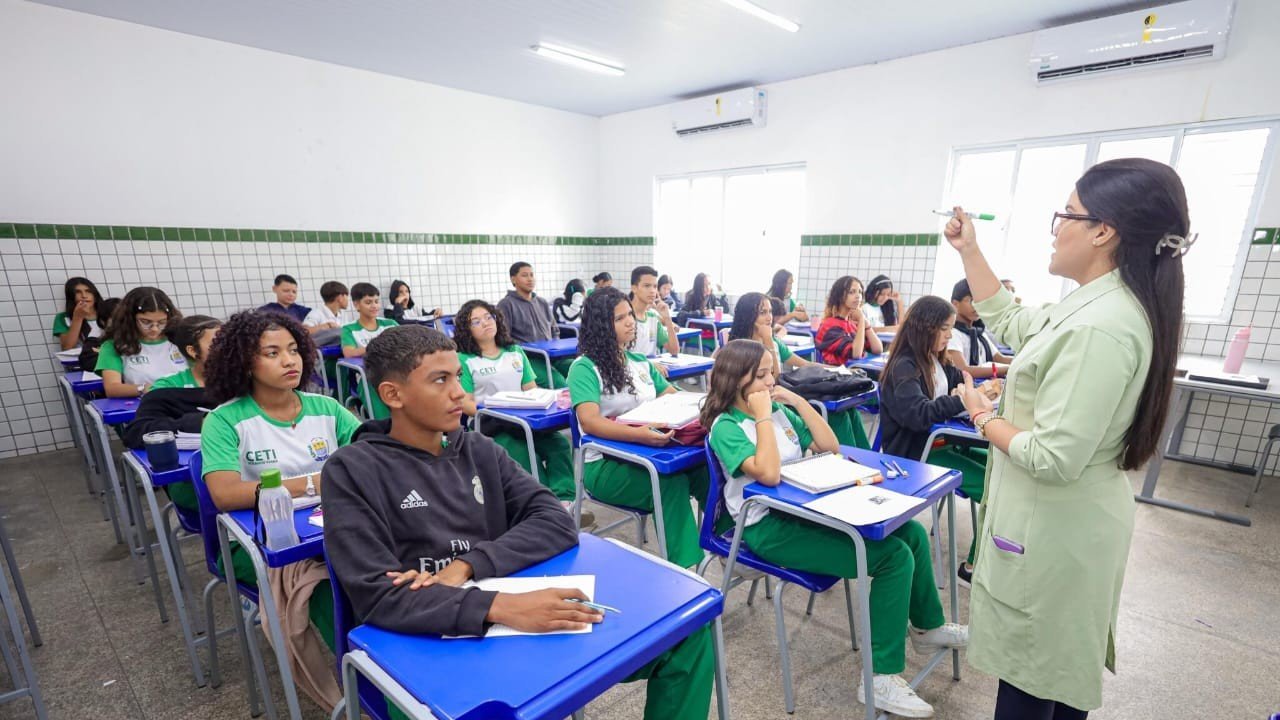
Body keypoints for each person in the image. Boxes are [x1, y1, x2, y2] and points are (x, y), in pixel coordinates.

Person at [323, 324, 714, 720]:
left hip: (501, 611)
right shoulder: (353, 469)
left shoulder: (477, 448)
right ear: (393, 395)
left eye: (458, 376)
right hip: (424, 642)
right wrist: (498, 605)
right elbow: (379, 596)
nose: (459, 392)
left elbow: (557, 522)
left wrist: (468, 567)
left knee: (686, 637)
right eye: (440, 380)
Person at [943, 158, 1188, 718]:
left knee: (1035, 685)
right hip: (1066, 524)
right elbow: (1009, 320)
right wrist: (969, 251)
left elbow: (1053, 457)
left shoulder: (1100, 327)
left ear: (1104, 231)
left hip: (1056, 531)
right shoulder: (1097, 305)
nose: (1057, 228)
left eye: (1067, 214)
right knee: (1049, 674)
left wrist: (983, 416)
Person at [704, 339, 967, 718]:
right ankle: (879, 677)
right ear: (734, 379)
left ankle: (927, 627)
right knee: (892, 558)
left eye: (771, 372)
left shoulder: (779, 411)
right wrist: (762, 416)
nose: (769, 381)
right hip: (766, 527)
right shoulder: (726, 426)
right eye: (759, 375)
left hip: (803, 511)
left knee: (908, 533)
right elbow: (768, 472)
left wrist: (796, 403)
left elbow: (830, 447)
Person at [201, 310, 361, 711]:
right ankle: (352, 699)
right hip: (265, 542)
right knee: (328, 591)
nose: (289, 360)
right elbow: (224, 493)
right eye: (272, 353)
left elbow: (369, 459)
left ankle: (388, 673)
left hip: (330, 529)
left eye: (293, 350)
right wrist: (315, 483)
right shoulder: (225, 421)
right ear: (244, 361)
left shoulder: (326, 407)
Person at [568, 288, 710, 570]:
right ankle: (685, 572)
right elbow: (590, 422)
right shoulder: (584, 368)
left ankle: (733, 543)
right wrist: (640, 433)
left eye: (629, 315)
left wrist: (710, 406)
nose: (630, 322)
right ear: (601, 327)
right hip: (605, 465)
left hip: (647, 452)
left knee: (706, 468)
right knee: (669, 481)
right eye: (620, 318)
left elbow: (673, 395)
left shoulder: (640, 363)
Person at [878, 296, 999, 582]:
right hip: (917, 454)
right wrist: (964, 400)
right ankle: (973, 567)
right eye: (944, 328)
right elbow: (918, 415)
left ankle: (987, 557)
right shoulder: (904, 366)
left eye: (950, 328)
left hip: (942, 442)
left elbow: (962, 381)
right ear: (925, 327)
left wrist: (980, 390)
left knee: (1002, 470)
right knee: (994, 489)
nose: (949, 335)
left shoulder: (935, 359)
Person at [453, 299, 578, 511]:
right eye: (476, 321)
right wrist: (495, 414)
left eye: (488, 317)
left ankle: (566, 502)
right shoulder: (464, 359)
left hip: (524, 421)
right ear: (467, 330)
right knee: (525, 454)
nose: (485, 323)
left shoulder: (515, 352)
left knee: (558, 445)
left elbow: (530, 389)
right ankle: (544, 507)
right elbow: (465, 403)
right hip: (491, 425)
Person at [727, 292, 870, 449]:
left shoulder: (774, 341)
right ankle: (846, 459)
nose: (769, 318)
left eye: (770, 311)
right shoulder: (741, 349)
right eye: (763, 313)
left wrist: (838, 370)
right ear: (748, 316)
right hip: (771, 398)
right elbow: (773, 378)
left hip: (783, 393)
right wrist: (767, 340)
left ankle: (864, 460)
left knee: (850, 410)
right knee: (837, 414)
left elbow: (804, 363)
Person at [123, 315, 222, 512]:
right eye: (218, 344)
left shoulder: (247, 381)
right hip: (196, 479)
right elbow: (137, 432)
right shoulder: (167, 389)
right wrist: (199, 422)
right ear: (193, 351)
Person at [96, 287, 186, 398]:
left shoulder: (180, 339)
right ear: (130, 318)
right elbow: (112, 388)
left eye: (162, 322)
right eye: (146, 322)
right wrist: (143, 388)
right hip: (144, 405)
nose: (154, 329)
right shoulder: (115, 345)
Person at [496, 261, 571, 389]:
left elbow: (555, 330)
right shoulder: (506, 304)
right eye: (525, 275)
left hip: (553, 356)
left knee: (577, 369)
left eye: (532, 275)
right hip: (529, 359)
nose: (530, 279)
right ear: (513, 279)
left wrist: (556, 348)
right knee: (560, 383)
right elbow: (503, 337)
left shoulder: (542, 303)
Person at [948, 279, 1011, 380]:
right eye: (971, 300)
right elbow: (963, 370)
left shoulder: (979, 333)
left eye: (979, 301)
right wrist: (1008, 369)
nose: (977, 306)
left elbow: (999, 358)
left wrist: (1023, 360)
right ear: (955, 304)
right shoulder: (952, 334)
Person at [815, 276, 883, 366]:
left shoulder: (852, 324)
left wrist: (866, 325)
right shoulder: (829, 325)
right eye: (852, 292)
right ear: (840, 296)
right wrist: (861, 319)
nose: (858, 296)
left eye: (860, 292)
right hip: (836, 376)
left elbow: (878, 349)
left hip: (853, 374)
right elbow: (856, 354)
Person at [629, 265, 680, 359]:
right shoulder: (625, 316)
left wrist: (667, 319)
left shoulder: (652, 317)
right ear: (634, 288)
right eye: (647, 286)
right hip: (633, 371)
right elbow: (620, 355)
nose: (652, 291)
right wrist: (647, 365)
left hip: (650, 371)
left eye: (655, 286)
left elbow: (674, 350)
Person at [340, 283, 397, 358]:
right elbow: (349, 353)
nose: (374, 306)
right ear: (356, 305)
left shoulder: (390, 324)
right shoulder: (349, 329)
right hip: (369, 367)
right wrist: (378, 347)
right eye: (368, 302)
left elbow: (406, 342)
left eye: (376, 301)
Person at [53, 277, 107, 351]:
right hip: (84, 360)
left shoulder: (108, 312)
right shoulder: (63, 318)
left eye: (88, 291)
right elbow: (67, 347)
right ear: (71, 296)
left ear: (94, 294)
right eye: (78, 292)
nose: (84, 296)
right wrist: (78, 317)